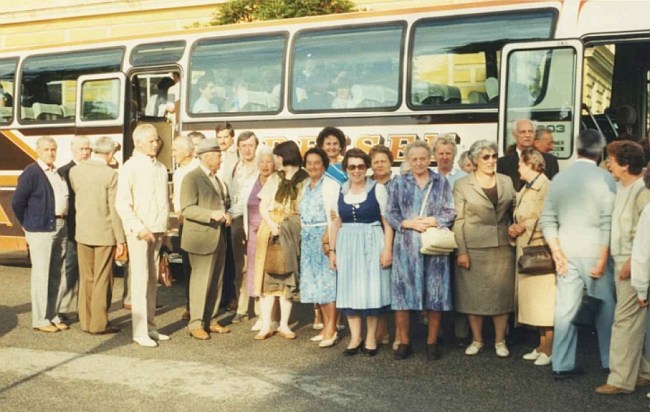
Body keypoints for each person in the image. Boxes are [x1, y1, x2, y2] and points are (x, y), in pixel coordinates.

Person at [540, 129, 617, 379]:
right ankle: (610, 361)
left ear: (577, 148)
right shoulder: (606, 179)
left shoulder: (560, 178)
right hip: (597, 252)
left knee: (565, 309)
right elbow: (608, 221)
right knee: (605, 309)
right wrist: (603, 257)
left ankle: (561, 364)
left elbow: (547, 219)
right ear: (600, 150)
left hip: (566, 250)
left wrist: (556, 251)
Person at [386, 140, 456, 361]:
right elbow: (390, 213)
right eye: (414, 159)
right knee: (403, 295)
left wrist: (432, 220)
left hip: (433, 245)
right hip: (406, 246)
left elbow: (450, 211)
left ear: (429, 159)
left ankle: (431, 342)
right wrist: (408, 224)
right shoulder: (399, 182)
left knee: (435, 293)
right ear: (408, 160)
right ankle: (404, 342)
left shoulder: (440, 181)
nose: (418, 163)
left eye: (422, 158)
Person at [452, 140, 516, 358]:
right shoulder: (462, 185)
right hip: (473, 247)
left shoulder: (506, 181)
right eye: (485, 157)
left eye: (493, 156)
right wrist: (462, 250)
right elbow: (458, 220)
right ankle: (477, 339)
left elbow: (515, 210)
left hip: (502, 246)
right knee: (473, 296)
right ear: (474, 161)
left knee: (502, 295)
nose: (491, 161)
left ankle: (500, 341)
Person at [596, 141, 650, 394]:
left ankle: (619, 380)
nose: (608, 164)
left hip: (632, 264)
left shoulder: (642, 191)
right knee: (634, 322)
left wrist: (630, 263)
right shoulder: (622, 187)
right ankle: (641, 372)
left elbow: (645, 233)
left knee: (624, 322)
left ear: (626, 165)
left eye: (611, 160)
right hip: (622, 262)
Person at [329, 148, 394, 357]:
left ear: (366, 168)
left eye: (361, 166)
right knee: (350, 290)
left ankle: (371, 338)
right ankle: (355, 337)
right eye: (352, 166)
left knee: (371, 289)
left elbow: (387, 222)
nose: (356, 170)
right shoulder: (341, 190)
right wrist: (332, 251)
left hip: (372, 241)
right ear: (346, 169)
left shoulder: (377, 189)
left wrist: (387, 250)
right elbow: (336, 222)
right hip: (347, 243)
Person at [115, 124, 170, 348]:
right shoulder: (130, 167)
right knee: (139, 280)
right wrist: (139, 228)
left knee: (151, 281)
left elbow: (163, 201)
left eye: (156, 140)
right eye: (151, 141)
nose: (156, 144)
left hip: (156, 230)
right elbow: (123, 204)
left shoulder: (160, 167)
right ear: (138, 143)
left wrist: (164, 231)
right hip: (139, 232)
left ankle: (150, 326)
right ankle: (139, 332)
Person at [12, 136, 70, 333]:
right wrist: (26, 223)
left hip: (61, 224)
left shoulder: (57, 172)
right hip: (40, 228)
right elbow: (17, 202)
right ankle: (40, 319)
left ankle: (53, 315)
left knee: (56, 274)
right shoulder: (31, 173)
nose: (50, 153)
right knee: (41, 275)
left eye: (53, 149)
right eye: (46, 149)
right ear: (38, 151)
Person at [253, 141, 309, 340]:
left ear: (286, 156)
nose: (276, 160)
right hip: (270, 226)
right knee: (267, 276)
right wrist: (271, 224)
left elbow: (305, 208)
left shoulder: (305, 179)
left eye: (278, 156)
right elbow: (263, 205)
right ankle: (267, 324)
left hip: (292, 227)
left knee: (287, 277)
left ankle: (284, 324)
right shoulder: (275, 178)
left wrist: (290, 226)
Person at [69, 136, 125, 335]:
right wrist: (120, 239)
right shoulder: (111, 175)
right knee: (103, 279)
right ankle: (99, 324)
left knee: (86, 278)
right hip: (104, 233)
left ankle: (86, 321)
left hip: (82, 232)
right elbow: (114, 209)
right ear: (110, 153)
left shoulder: (75, 171)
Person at [180, 138, 232, 340]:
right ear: (208, 156)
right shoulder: (191, 178)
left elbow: (221, 204)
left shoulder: (217, 180)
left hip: (217, 236)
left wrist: (225, 213)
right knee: (200, 282)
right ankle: (195, 324)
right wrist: (211, 214)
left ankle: (209, 320)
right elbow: (186, 208)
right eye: (219, 156)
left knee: (215, 281)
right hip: (200, 239)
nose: (221, 160)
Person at [507, 148, 555, 366]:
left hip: (538, 251)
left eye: (520, 165)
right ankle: (542, 345)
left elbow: (547, 217)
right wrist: (514, 229)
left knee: (545, 304)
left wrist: (522, 227)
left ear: (531, 165)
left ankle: (550, 348)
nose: (518, 168)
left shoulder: (546, 186)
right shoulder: (527, 187)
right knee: (534, 304)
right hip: (526, 249)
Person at [300, 147, 340, 347]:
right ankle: (325, 326)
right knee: (317, 287)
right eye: (309, 162)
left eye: (316, 162)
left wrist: (330, 240)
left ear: (324, 164)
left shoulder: (330, 185)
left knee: (328, 285)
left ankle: (331, 329)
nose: (312, 166)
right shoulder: (306, 185)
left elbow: (334, 216)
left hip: (323, 238)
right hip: (308, 240)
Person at [315, 126, 348, 331]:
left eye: (336, 143)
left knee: (336, 270)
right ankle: (318, 313)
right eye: (328, 144)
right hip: (319, 220)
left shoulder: (345, 168)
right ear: (321, 146)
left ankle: (339, 317)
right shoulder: (318, 167)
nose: (332, 147)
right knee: (318, 270)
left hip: (339, 222)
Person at [244, 146, 278, 332]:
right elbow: (242, 205)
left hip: (271, 232)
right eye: (262, 162)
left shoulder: (278, 181)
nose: (265, 165)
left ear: (274, 164)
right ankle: (260, 315)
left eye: (269, 161)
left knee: (271, 273)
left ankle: (273, 317)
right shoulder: (251, 181)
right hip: (253, 234)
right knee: (254, 273)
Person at [57, 135, 91, 320]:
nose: (85, 152)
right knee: (69, 270)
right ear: (73, 150)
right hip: (72, 228)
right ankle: (61, 309)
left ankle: (83, 309)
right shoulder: (64, 171)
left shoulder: (92, 170)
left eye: (88, 148)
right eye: (81, 149)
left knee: (86, 272)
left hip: (88, 228)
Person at [229, 131, 260, 323]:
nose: (247, 149)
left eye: (250, 145)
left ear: (256, 146)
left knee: (256, 264)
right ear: (239, 149)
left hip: (255, 219)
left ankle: (259, 309)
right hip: (237, 219)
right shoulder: (235, 168)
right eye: (243, 146)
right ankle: (241, 307)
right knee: (240, 265)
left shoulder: (262, 167)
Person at [171, 136, 200, 321]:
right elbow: (176, 196)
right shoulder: (178, 173)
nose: (172, 154)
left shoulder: (199, 168)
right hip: (185, 223)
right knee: (187, 267)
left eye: (175, 150)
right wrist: (178, 211)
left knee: (202, 267)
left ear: (187, 152)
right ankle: (190, 306)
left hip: (200, 223)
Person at [497, 119, 559, 191]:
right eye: (523, 132)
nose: (527, 135)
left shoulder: (550, 161)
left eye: (530, 131)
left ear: (534, 134)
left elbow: (554, 190)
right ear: (514, 135)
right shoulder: (503, 163)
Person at [215, 122, 238, 313]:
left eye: (226, 137)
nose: (222, 141)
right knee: (220, 256)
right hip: (218, 208)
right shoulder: (215, 155)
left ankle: (232, 297)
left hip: (231, 208)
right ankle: (221, 296)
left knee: (231, 257)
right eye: (220, 137)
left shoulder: (235, 156)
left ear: (232, 137)